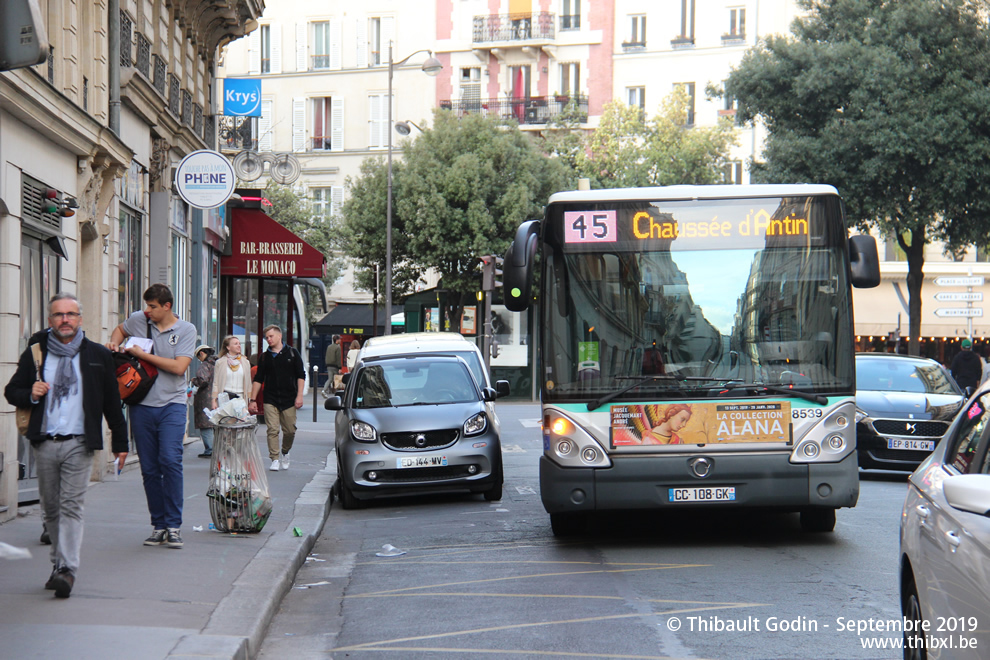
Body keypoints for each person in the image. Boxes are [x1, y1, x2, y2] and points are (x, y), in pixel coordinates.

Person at [4, 293, 128, 598]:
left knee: (72, 506)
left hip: (79, 443)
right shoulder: (36, 353)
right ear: (50, 320)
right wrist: (31, 393)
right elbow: (12, 391)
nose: (65, 320)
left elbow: (112, 402)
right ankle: (58, 564)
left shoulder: (98, 355)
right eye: (58, 315)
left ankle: (67, 570)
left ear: (80, 319)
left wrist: (120, 442)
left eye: (71, 314)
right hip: (45, 442)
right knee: (51, 509)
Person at [107, 283, 195, 549]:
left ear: (166, 306)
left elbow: (180, 367)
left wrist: (143, 355)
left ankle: (174, 525)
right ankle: (158, 526)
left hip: (172, 404)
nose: (147, 311)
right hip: (141, 404)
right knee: (149, 468)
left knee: (170, 460)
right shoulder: (139, 319)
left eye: (153, 306)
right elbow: (120, 330)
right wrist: (114, 342)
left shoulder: (186, 330)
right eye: (146, 306)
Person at [248, 325, 305, 471]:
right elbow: (259, 379)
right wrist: (252, 400)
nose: (268, 339)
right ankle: (274, 458)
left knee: (290, 430)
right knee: (272, 429)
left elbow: (300, 375)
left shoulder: (292, 353)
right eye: (267, 337)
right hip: (270, 398)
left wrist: (299, 396)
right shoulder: (265, 357)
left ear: (279, 336)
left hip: (289, 398)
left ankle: (285, 452)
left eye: (271, 336)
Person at [211, 335, 252, 408]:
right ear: (228, 347)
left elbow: (249, 383)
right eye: (236, 344)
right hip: (225, 397)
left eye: (239, 344)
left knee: (241, 419)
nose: (239, 346)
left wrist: (250, 400)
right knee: (226, 419)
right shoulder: (220, 362)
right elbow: (216, 383)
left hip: (241, 397)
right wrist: (214, 400)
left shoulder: (246, 362)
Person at [191, 345, 217, 458]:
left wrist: (194, 380)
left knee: (205, 424)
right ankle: (216, 448)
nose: (199, 359)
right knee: (215, 424)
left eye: (198, 357)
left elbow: (203, 380)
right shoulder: (217, 363)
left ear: (202, 353)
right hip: (217, 397)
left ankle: (210, 450)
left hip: (205, 398)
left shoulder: (205, 365)